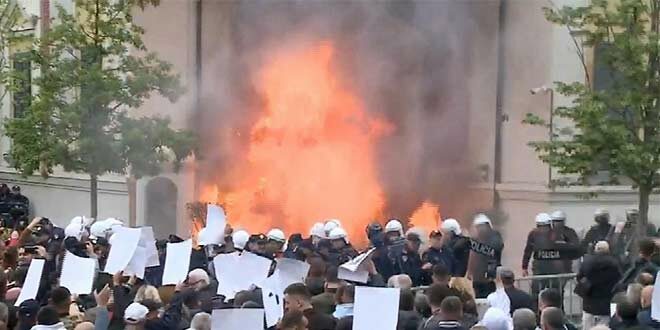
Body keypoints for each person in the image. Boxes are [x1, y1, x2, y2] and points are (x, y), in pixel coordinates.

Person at [576, 240, 621, 329]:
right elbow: (619, 280)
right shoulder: (614, 263)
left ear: (596, 249)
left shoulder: (587, 262)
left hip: (589, 302)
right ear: (608, 250)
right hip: (606, 303)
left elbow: (579, 277)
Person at [466, 214, 503, 298]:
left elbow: (472, 257)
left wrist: (470, 273)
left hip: (482, 278)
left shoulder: (477, 240)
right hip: (488, 277)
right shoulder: (495, 237)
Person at [522, 213, 559, 297]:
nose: (543, 229)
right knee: (536, 292)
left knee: (556, 293)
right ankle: (536, 308)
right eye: (540, 226)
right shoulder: (533, 234)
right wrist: (524, 267)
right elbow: (528, 251)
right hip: (539, 268)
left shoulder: (556, 234)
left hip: (553, 268)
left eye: (545, 226)